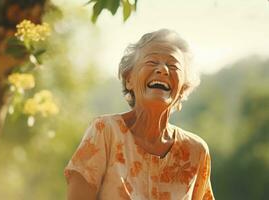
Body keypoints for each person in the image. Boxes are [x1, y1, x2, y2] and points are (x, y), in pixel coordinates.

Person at [64, 29, 215, 200]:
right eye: (151, 62)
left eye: (173, 66)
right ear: (129, 80)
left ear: (182, 90)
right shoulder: (105, 131)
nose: (163, 70)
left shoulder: (196, 151)